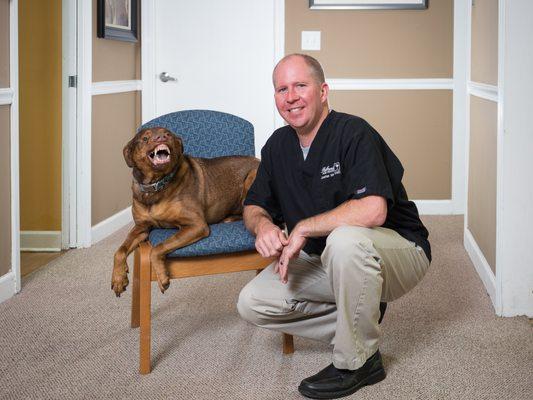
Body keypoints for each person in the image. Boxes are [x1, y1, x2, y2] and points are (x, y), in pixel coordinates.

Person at [237, 53, 431, 399]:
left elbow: (374, 210)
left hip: (398, 251)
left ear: (323, 91)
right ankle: (359, 316)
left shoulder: (354, 132)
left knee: (344, 241)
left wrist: (303, 228)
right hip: (330, 260)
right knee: (253, 301)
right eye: (282, 89)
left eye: (300, 85)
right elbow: (253, 205)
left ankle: (358, 361)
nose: (291, 96)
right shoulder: (278, 146)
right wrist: (263, 225)